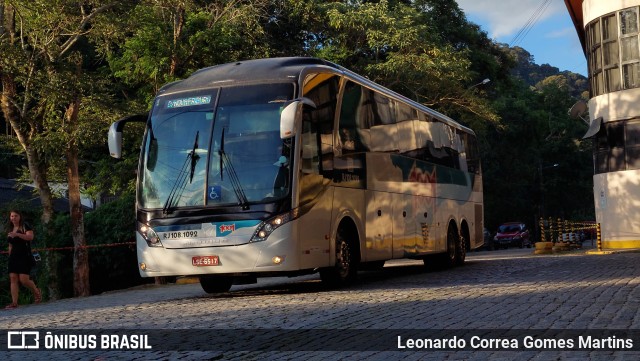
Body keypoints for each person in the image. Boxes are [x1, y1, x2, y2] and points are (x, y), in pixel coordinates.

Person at [5, 210, 41, 309]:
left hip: (24, 255)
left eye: (15, 216)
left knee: (24, 280)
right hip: (13, 256)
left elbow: (30, 237)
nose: (13, 218)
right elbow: (10, 244)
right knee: (13, 278)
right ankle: (14, 303)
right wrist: (10, 256)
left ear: (20, 216)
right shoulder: (10, 228)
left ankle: (36, 290)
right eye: (12, 216)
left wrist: (17, 234)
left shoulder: (25, 225)